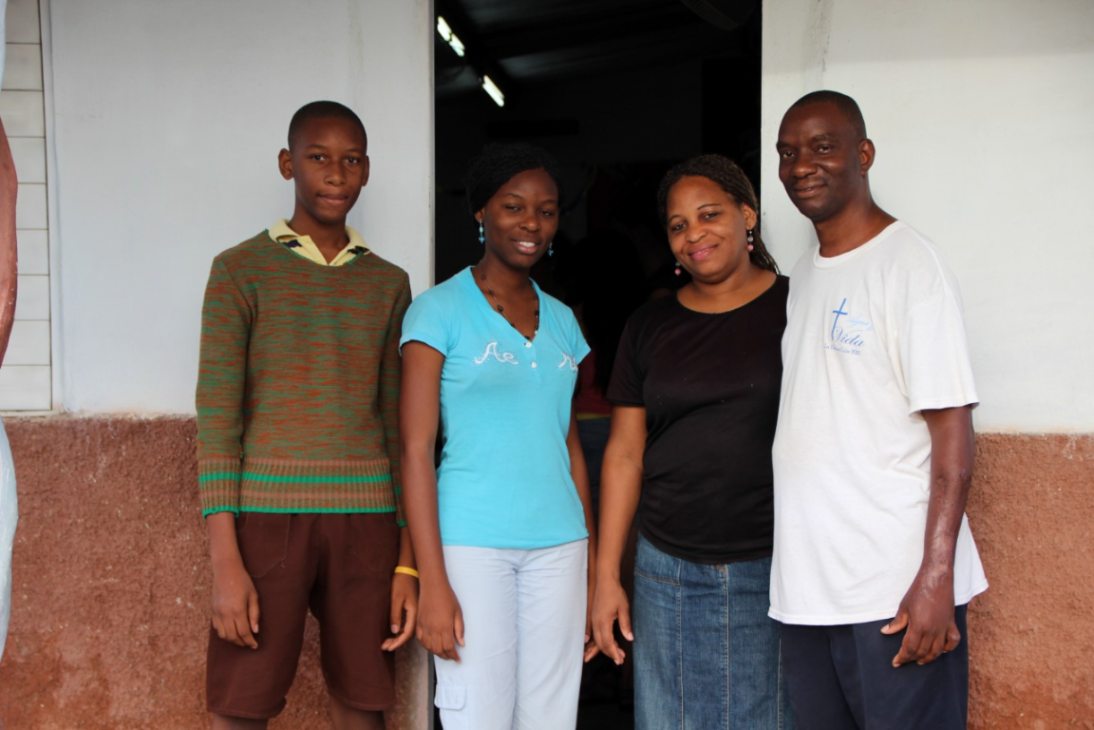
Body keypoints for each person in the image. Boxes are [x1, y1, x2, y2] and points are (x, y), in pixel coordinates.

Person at [770, 90, 988, 729]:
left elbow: (952, 429)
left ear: (863, 155)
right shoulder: (807, 272)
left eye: (821, 147)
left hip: (894, 588)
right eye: (788, 153)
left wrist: (935, 576)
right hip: (811, 590)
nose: (801, 165)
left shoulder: (910, 264)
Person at [196, 100, 416, 730]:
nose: (335, 174)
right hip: (266, 521)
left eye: (350, 161)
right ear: (289, 164)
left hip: (368, 522)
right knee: (243, 701)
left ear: (367, 172)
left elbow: (397, 422)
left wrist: (405, 555)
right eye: (318, 158)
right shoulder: (239, 271)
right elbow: (218, 418)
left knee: (364, 699)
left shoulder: (388, 283)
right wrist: (224, 561)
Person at [399, 143, 597, 730]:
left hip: (561, 546)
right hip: (470, 546)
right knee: (477, 714)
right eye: (513, 207)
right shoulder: (437, 311)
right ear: (481, 212)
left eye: (546, 209)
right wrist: (429, 579)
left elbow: (567, 446)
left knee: (551, 716)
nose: (531, 223)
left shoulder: (563, 321)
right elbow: (414, 450)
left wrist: (586, 564)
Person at [592, 154, 792, 729]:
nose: (693, 234)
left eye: (708, 215)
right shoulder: (649, 326)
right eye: (678, 225)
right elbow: (625, 455)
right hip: (667, 568)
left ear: (747, 215)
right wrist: (608, 576)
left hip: (774, 562)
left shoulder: (797, 309)